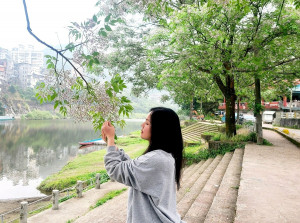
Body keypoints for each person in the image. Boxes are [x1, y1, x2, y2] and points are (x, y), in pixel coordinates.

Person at [102, 107, 186, 223]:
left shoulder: (156, 159)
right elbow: (132, 168)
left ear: (160, 129)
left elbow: (115, 169)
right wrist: (111, 144)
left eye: (147, 123)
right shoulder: (164, 156)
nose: (142, 125)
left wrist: (111, 139)